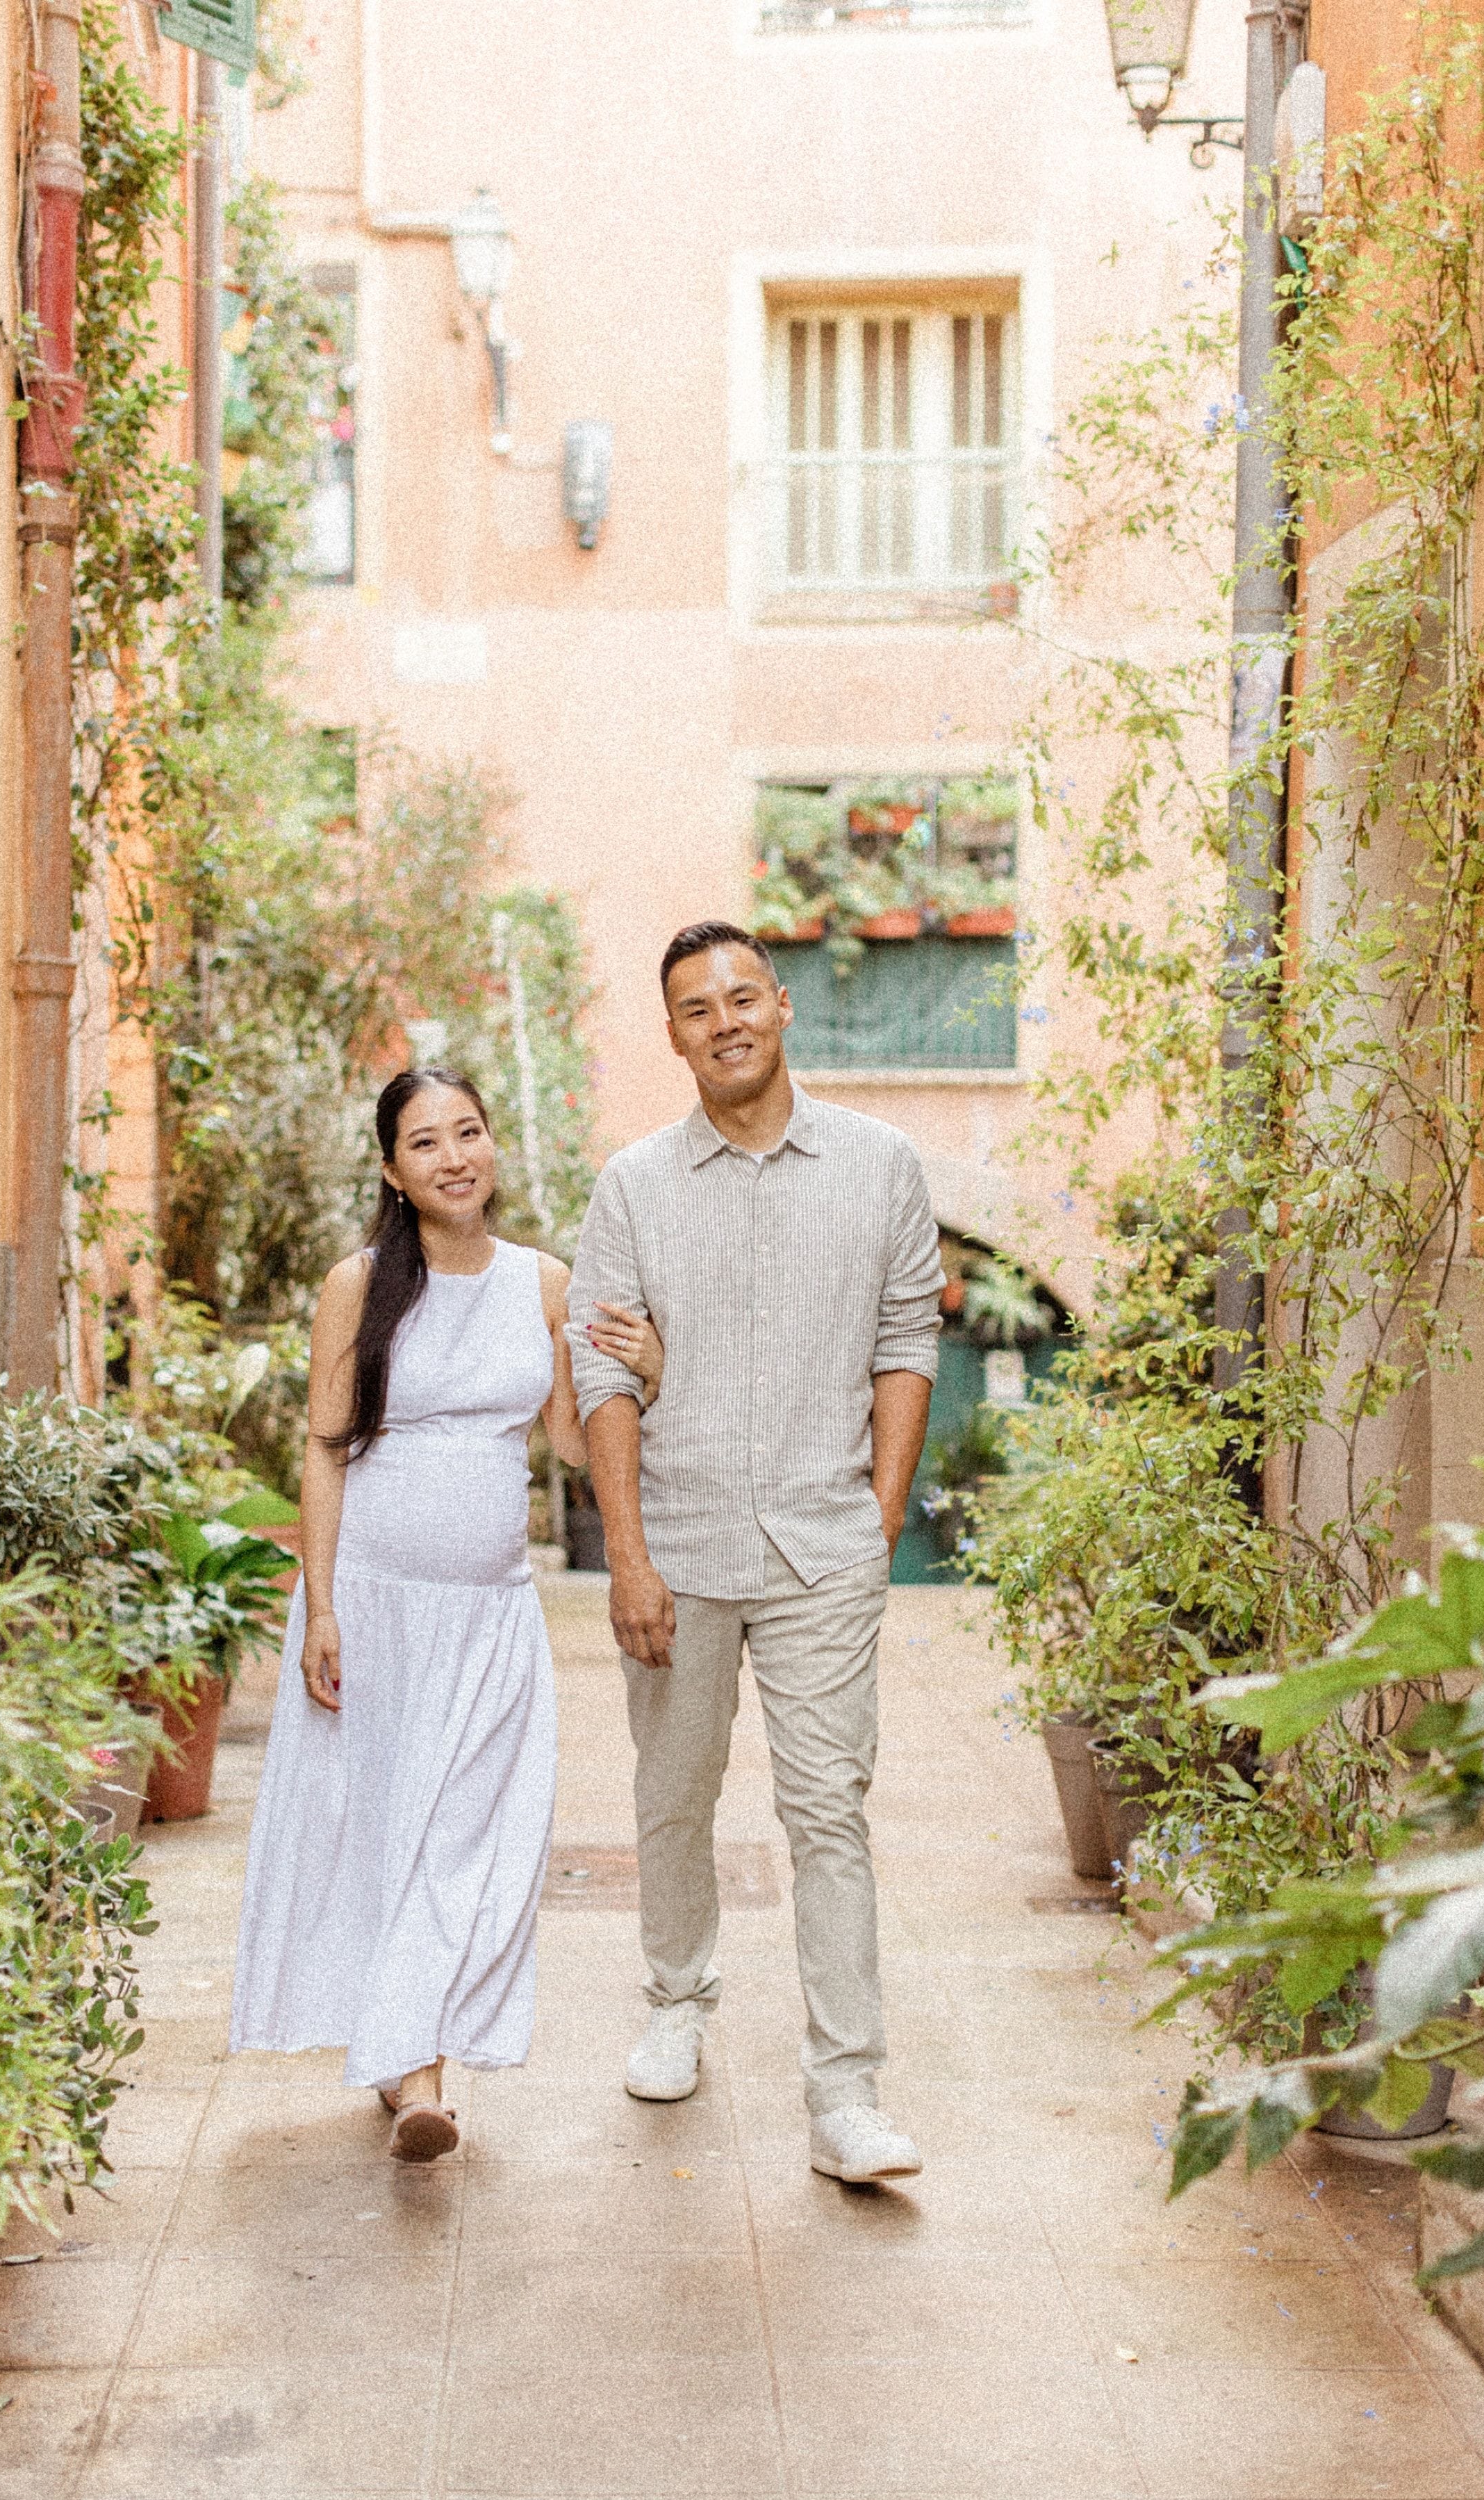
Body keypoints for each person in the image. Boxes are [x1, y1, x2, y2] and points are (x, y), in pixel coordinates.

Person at [568, 922, 943, 2185]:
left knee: (827, 1809)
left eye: (741, 996)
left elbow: (907, 1339)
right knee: (674, 1795)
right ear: (673, 1035)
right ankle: (677, 2000)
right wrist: (626, 1554)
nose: (723, 1021)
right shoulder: (634, 1185)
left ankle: (847, 2091)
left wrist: (880, 1514)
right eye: (695, 1007)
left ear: (783, 1005)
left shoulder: (881, 1165)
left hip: (825, 1545)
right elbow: (602, 1374)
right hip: (678, 1544)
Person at [230, 1067, 661, 2161]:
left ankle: (410, 2052)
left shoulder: (545, 1282)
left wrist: (645, 1375)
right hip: (374, 1606)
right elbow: (325, 1448)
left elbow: (572, 1445)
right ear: (392, 1169)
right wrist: (320, 1607)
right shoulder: (358, 1284)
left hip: (490, 1614)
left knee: (470, 1832)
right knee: (387, 1829)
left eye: (468, 1132)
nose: (454, 1157)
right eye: (425, 1142)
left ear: (492, 1145)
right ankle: (416, 2070)